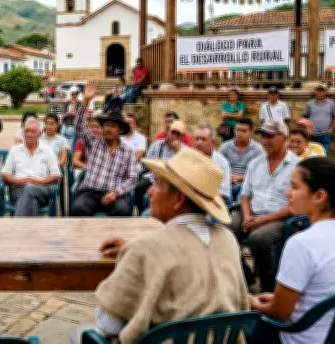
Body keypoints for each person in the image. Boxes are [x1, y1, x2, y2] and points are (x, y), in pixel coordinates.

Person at [70, 147, 246, 343]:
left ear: (178, 199)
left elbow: (107, 325)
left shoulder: (145, 249)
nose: (149, 190)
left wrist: (134, 257)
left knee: (82, 332)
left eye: (158, 184)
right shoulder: (228, 241)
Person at [248, 157, 335, 344]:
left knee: (246, 326)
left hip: (307, 338)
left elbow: (280, 313)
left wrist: (252, 302)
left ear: (319, 196)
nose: (288, 193)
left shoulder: (302, 243)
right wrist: (278, 299)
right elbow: (332, 290)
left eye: (295, 187)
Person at [231, 120, 300, 292]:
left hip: (281, 218)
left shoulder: (297, 166)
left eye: (271, 136)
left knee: (258, 238)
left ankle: (267, 286)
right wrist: (247, 216)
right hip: (252, 212)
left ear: (284, 138)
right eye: (263, 135)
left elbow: (295, 206)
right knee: (222, 230)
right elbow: (245, 195)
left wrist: (262, 220)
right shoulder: (255, 163)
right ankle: (245, 274)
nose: (265, 140)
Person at [71, 81, 139, 217]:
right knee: (77, 209)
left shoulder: (129, 151)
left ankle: (113, 239)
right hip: (90, 191)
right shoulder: (94, 142)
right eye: (106, 125)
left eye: (112, 126)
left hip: (114, 193)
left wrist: (116, 192)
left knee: (123, 211)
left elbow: (133, 178)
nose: (107, 128)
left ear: (119, 130)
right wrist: (85, 101)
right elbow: (79, 127)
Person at [1, 119, 61, 216]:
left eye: (32, 131)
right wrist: (18, 181)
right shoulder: (15, 150)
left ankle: (17, 225)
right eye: (27, 131)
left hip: (42, 189)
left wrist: (38, 181)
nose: (29, 134)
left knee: (29, 188)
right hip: (18, 189)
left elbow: (56, 175)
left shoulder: (47, 150)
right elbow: (4, 174)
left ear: (39, 134)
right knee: (32, 202)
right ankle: (27, 229)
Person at [136, 120, 187, 214]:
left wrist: (177, 149)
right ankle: (141, 213)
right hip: (154, 177)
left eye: (177, 134)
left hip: (173, 182)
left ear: (182, 137)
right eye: (172, 132)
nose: (173, 136)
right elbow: (147, 163)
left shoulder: (185, 150)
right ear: (168, 132)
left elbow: (185, 169)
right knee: (139, 188)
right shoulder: (157, 145)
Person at [219, 118, 265, 205]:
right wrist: (226, 177)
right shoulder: (225, 147)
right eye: (238, 130)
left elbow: (261, 174)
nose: (239, 133)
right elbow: (217, 168)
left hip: (247, 185)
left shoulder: (258, 149)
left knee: (241, 201)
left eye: (244, 131)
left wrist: (240, 178)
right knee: (224, 200)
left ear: (251, 132)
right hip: (227, 184)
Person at [193, 125, 232, 205]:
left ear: (212, 142)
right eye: (196, 139)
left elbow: (223, 193)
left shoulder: (222, 162)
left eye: (204, 139)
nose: (199, 143)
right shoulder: (186, 158)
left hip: (214, 202)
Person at [301, 83, 335, 155]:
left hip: (326, 133)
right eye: (318, 90)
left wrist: (332, 129)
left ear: (325, 92)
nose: (320, 92)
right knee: (312, 155)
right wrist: (307, 129)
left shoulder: (331, 103)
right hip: (312, 134)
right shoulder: (309, 104)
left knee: (324, 154)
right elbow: (304, 118)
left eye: (322, 90)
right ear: (315, 91)